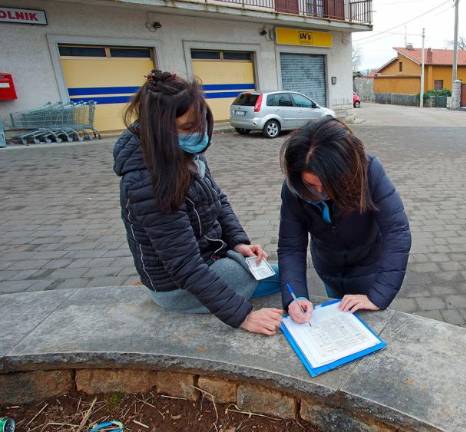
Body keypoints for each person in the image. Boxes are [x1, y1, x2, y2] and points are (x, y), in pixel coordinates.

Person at [114, 70, 283, 335]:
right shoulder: (146, 181)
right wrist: (243, 316)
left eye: (201, 122)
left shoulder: (184, 153)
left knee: (282, 273)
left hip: (212, 259)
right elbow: (184, 265)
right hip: (179, 287)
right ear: (159, 128)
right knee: (286, 277)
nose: (199, 133)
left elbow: (219, 200)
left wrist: (239, 242)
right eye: (187, 128)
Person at [278, 117, 411, 323]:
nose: (321, 192)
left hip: (369, 270)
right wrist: (296, 296)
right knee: (339, 323)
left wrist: (378, 296)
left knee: (370, 331)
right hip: (329, 269)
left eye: (329, 184)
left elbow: (397, 231)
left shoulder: (369, 171)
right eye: (312, 185)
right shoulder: (294, 189)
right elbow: (291, 246)